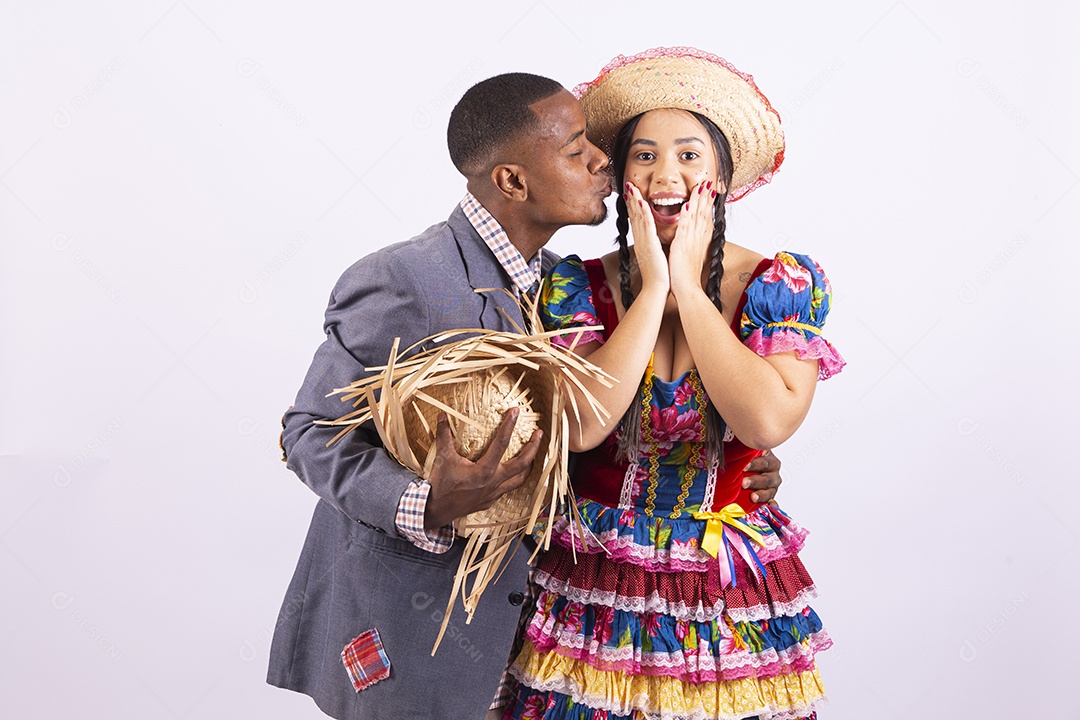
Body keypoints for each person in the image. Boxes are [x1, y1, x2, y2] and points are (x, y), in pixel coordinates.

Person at [266, 70, 789, 720]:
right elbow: (311, 432)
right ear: (512, 181)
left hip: (544, 629)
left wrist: (721, 463)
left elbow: (574, 425)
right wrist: (425, 502)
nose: (605, 160)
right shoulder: (404, 278)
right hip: (416, 632)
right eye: (577, 150)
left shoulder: (566, 290)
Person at [501, 48, 845, 720]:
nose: (667, 173)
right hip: (592, 579)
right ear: (622, 173)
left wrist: (688, 286)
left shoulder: (781, 284)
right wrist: (654, 284)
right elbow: (584, 423)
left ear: (721, 174)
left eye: (690, 155)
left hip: (725, 586)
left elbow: (766, 424)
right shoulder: (574, 286)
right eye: (645, 155)